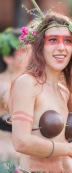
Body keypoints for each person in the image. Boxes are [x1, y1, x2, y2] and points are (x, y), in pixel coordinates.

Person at [8, 11, 72, 173]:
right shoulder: (28, 84)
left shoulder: (66, 91)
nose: (61, 47)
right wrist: (69, 150)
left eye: (67, 41)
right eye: (53, 40)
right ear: (39, 46)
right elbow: (21, 142)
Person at [0, 28, 31, 172]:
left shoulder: (30, 83)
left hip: (26, 160)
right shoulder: (2, 84)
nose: (30, 55)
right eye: (23, 51)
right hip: (5, 159)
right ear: (7, 58)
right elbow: (8, 98)